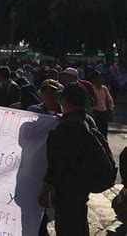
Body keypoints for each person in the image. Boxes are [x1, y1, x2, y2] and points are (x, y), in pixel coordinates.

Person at [38, 82, 94, 235]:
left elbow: (56, 162)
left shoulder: (66, 127)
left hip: (66, 189)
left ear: (65, 100)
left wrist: (45, 188)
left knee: (67, 227)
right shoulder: (87, 120)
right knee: (80, 224)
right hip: (82, 187)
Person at [90, 70, 114, 139]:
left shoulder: (104, 88)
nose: (102, 79)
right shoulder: (91, 88)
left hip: (104, 113)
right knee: (95, 133)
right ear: (94, 79)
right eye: (99, 78)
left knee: (104, 134)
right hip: (95, 113)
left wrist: (111, 110)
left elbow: (109, 100)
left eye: (102, 78)